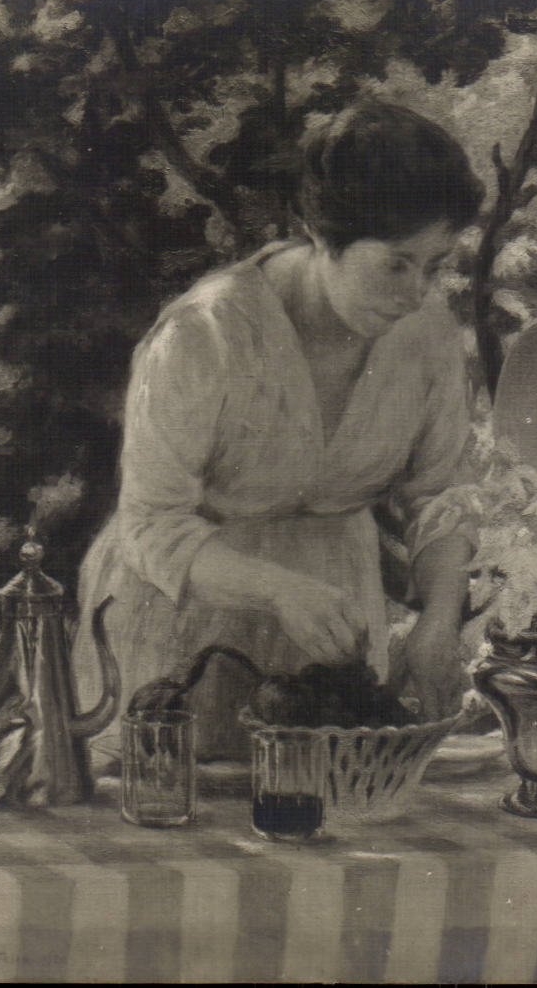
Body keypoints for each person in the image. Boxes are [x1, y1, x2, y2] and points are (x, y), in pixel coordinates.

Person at [76, 101, 485, 760]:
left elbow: (441, 498)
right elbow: (150, 522)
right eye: (397, 264)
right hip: (181, 618)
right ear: (324, 239)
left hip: (331, 632)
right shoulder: (205, 333)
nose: (417, 293)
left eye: (434, 266)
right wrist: (279, 590)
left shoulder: (427, 337)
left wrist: (439, 619)